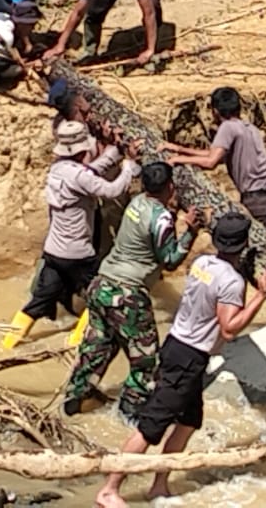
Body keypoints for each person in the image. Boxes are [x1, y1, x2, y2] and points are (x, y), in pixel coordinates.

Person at [94, 213, 266, 507]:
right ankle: (109, 489)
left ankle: (160, 485)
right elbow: (229, 328)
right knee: (150, 426)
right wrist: (261, 295)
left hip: (178, 346)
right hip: (188, 357)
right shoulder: (232, 281)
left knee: (189, 422)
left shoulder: (201, 262)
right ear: (243, 244)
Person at [64, 162, 198, 423]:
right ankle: (130, 413)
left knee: (96, 349)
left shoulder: (137, 203)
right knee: (146, 361)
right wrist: (190, 233)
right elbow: (170, 260)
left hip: (102, 285)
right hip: (127, 295)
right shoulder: (160, 218)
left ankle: (74, 402)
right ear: (170, 187)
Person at [0, 121, 140, 350]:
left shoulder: (58, 169)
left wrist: (115, 152)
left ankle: (6, 345)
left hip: (54, 251)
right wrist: (129, 167)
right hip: (78, 254)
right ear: (82, 150)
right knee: (100, 297)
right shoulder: (79, 176)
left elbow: (89, 172)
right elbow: (112, 190)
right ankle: (73, 345)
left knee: (39, 301)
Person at [163, 87, 266, 265]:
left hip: (257, 202)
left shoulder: (227, 127)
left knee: (251, 259)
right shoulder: (249, 128)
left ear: (215, 111)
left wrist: (178, 159)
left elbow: (211, 161)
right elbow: (214, 154)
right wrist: (180, 149)